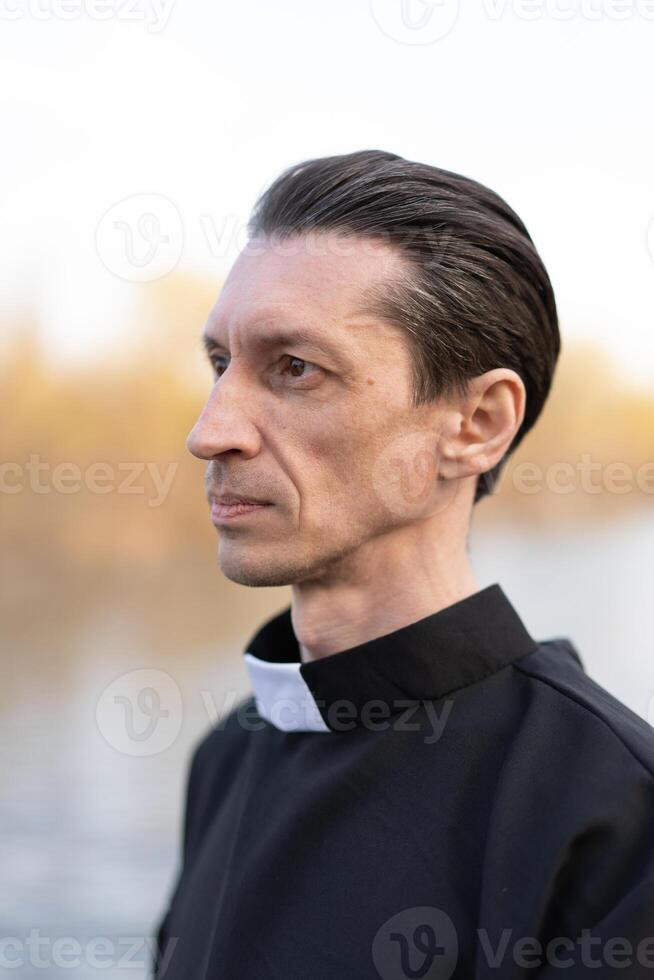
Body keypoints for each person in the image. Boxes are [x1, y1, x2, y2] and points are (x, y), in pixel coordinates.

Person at [152, 150, 654, 979]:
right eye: (219, 364)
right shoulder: (228, 755)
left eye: (295, 368)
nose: (211, 431)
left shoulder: (614, 821)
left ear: (478, 423)